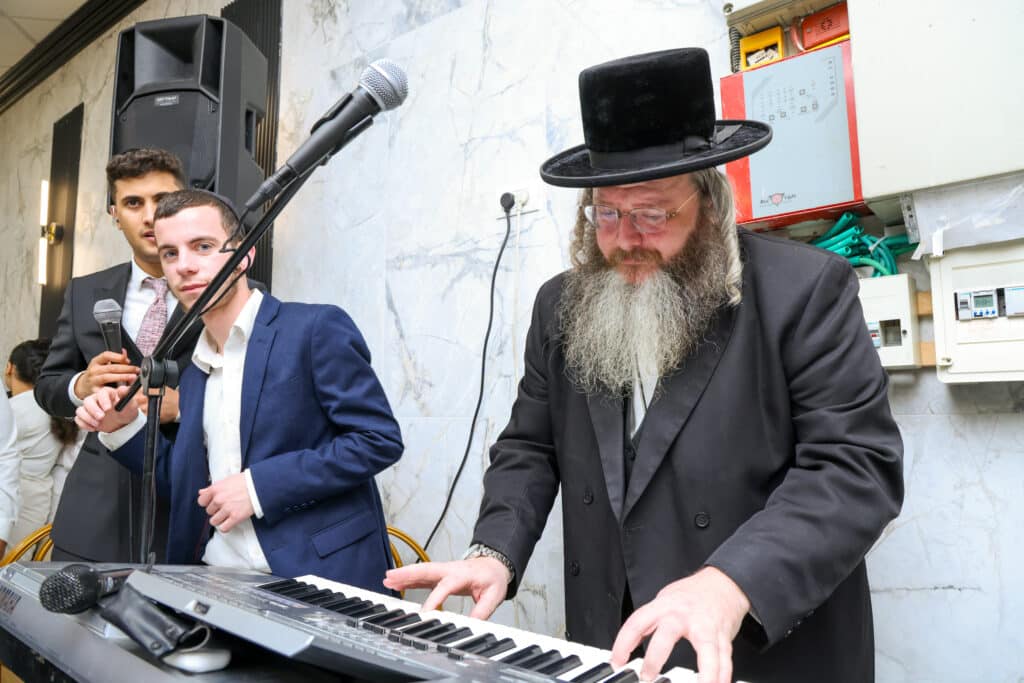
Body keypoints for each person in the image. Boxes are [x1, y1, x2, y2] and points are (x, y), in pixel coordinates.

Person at [383, 48, 904, 683]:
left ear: (709, 206)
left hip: (753, 648)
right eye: (607, 213)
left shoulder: (806, 290)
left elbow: (854, 468)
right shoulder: (560, 306)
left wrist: (730, 581)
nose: (626, 238)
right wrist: (495, 551)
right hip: (613, 644)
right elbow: (530, 447)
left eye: (652, 214)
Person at [75, 190, 403, 588]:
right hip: (220, 579)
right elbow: (188, 486)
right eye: (170, 254)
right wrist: (122, 426)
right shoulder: (193, 373)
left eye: (203, 246)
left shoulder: (314, 329)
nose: (185, 266)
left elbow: (377, 440)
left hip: (322, 580)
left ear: (244, 255)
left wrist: (258, 487)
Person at [33, 148, 194, 563]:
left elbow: (259, 394)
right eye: (133, 203)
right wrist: (81, 385)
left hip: (189, 507)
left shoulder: (227, 291)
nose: (150, 216)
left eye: (162, 200)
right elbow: (48, 387)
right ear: (115, 214)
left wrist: (186, 406)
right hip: (95, 513)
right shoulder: (85, 291)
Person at [0, 340, 80, 552]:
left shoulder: (17, 408)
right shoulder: (57, 407)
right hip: (39, 500)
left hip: (15, 496)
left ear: (10, 368)